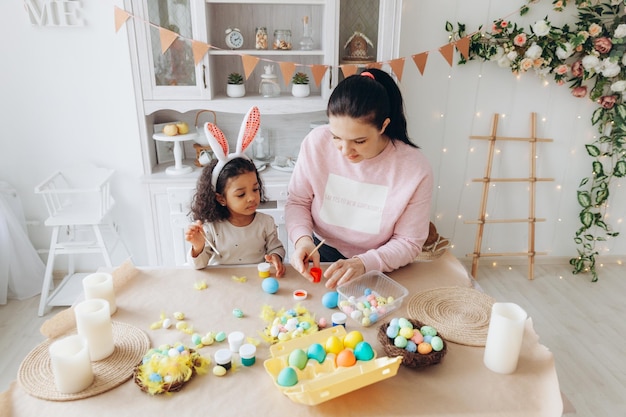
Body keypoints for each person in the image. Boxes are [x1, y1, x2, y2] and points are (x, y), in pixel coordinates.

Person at [285, 68, 433, 288]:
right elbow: (298, 201)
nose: (345, 151)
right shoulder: (316, 143)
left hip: (382, 261)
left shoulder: (414, 168)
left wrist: (365, 263)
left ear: (384, 125)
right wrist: (302, 240)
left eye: (359, 141)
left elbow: (409, 242)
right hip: (320, 252)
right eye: (336, 137)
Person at [186, 107, 286, 277]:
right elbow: (199, 266)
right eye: (241, 194)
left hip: (258, 283)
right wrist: (198, 246)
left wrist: (275, 257)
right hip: (225, 287)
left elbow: (276, 247)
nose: (252, 198)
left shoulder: (266, 223)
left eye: (255, 189)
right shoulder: (211, 227)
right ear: (221, 198)